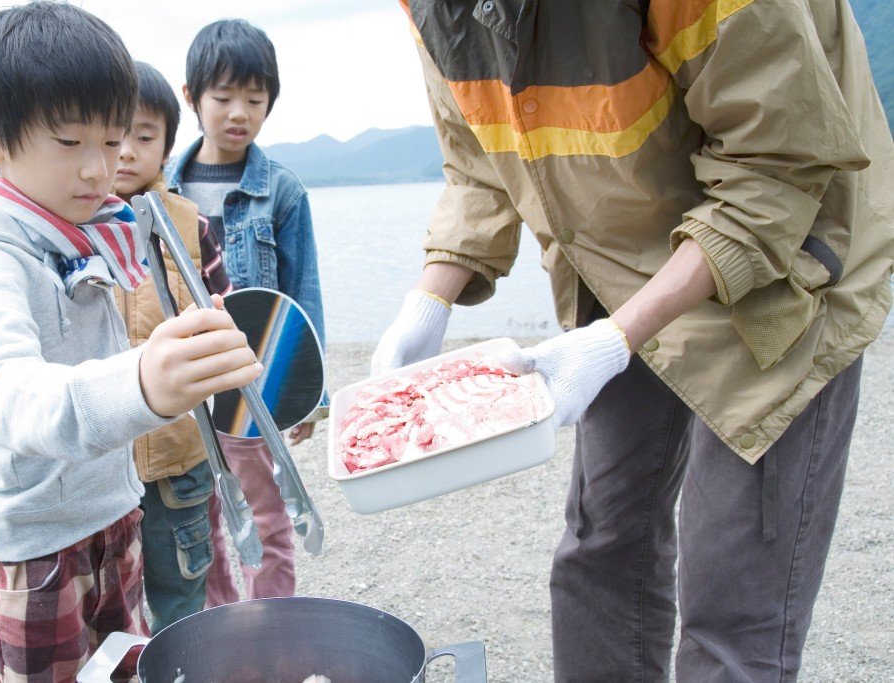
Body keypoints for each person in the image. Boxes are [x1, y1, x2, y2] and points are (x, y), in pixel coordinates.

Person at [375, 1, 893, 680]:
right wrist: (428, 304)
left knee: (730, 604)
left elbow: (777, 166)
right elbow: (481, 158)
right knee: (598, 554)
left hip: (784, 251)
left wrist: (615, 340)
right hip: (616, 257)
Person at [0, 5, 261, 680]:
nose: (102, 169)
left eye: (113, 140)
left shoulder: (93, 227)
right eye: (72, 143)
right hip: (35, 547)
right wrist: (141, 383)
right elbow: (10, 396)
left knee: (127, 670)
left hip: (113, 512)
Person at [165, 18, 326, 606]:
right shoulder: (161, 194)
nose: (239, 112)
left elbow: (303, 293)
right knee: (197, 522)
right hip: (180, 389)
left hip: (250, 384)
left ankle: (274, 632)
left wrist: (312, 392)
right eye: (224, 97)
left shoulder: (281, 190)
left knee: (267, 517)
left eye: (255, 99)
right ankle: (222, 632)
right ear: (192, 98)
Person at [111, 61, 234, 633]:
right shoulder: (71, 229)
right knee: (110, 606)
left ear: (167, 146)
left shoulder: (191, 225)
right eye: (112, 135)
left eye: (143, 135)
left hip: (180, 457)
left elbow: (227, 320)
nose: (126, 151)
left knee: (181, 597)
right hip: (101, 466)